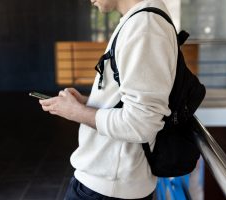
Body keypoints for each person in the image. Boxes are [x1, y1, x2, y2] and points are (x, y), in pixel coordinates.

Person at [39, 0, 178, 199]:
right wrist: (88, 102)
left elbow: (141, 122)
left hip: (108, 188)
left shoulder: (145, 25)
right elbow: (129, 101)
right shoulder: (140, 20)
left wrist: (75, 112)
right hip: (110, 182)